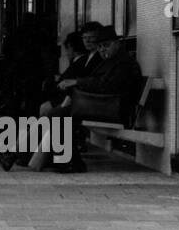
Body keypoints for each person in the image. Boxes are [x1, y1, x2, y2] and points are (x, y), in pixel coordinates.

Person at [29, 25, 141, 172]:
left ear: (117, 44)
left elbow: (107, 85)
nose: (102, 50)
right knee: (57, 114)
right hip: (104, 106)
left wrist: (77, 82)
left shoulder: (124, 63)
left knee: (58, 115)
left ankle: (69, 161)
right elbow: (96, 82)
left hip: (115, 110)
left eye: (106, 45)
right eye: (100, 46)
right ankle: (60, 159)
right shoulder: (110, 61)